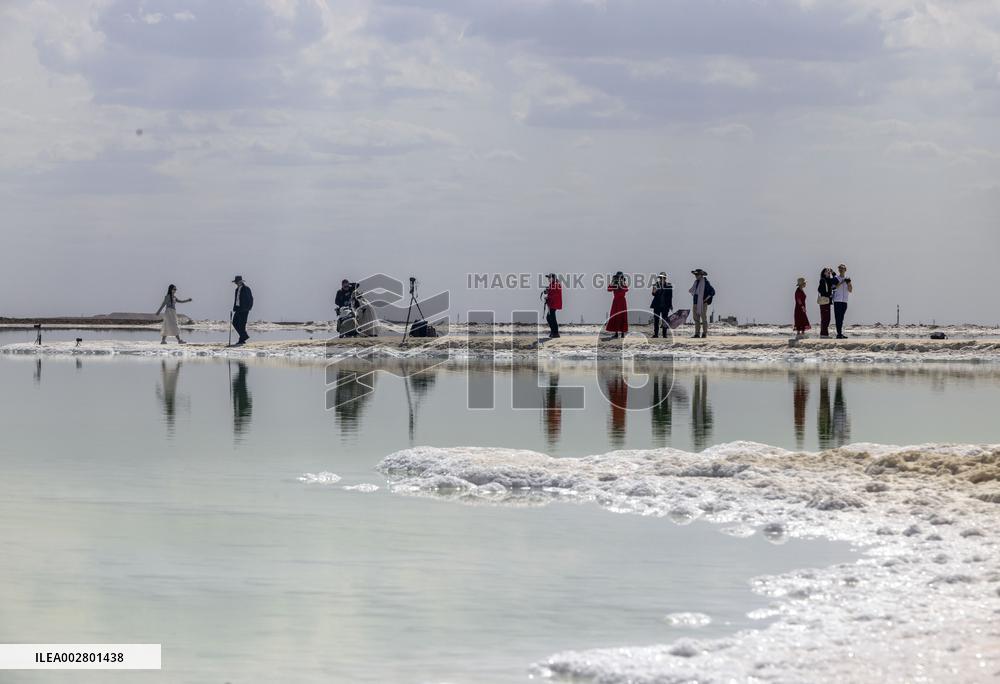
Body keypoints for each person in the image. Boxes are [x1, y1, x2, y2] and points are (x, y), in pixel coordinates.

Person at [688, 269, 715, 338]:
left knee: (703, 318)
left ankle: (704, 333)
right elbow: (693, 291)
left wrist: (706, 299)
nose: (696, 276)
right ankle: (697, 334)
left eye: (697, 274)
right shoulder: (696, 282)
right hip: (695, 302)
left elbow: (712, 292)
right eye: (695, 274)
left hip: (703, 303)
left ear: (701, 275)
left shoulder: (706, 282)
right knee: (696, 319)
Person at [605, 271, 629, 338]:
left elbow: (626, 289)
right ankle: (616, 333)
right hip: (616, 301)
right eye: (618, 277)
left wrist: (622, 282)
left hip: (622, 301)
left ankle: (622, 333)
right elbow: (609, 289)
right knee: (615, 316)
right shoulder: (615, 283)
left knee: (622, 316)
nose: (619, 278)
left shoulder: (623, 284)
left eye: (620, 277)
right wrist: (613, 281)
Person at [231, 275, 253, 346]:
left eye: (237, 282)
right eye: (236, 282)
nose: (236, 283)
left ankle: (242, 339)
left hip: (244, 309)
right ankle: (244, 336)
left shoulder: (246, 289)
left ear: (241, 282)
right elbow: (236, 300)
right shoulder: (237, 289)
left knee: (242, 324)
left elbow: (251, 299)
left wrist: (248, 308)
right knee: (234, 322)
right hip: (238, 308)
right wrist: (234, 308)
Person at [649, 272, 673, 338]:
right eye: (660, 278)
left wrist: (670, 305)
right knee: (656, 320)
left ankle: (664, 334)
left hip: (665, 305)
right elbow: (653, 294)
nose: (661, 279)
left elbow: (670, 296)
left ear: (665, 278)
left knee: (664, 320)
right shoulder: (656, 285)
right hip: (657, 305)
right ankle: (656, 334)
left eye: (663, 278)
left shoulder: (669, 285)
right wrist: (654, 291)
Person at [832, 264, 853, 339]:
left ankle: (840, 333)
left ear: (845, 270)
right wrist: (842, 282)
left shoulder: (848, 279)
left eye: (842, 268)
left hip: (844, 301)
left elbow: (850, 290)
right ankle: (839, 334)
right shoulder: (835, 278)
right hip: (837, 300)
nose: (841, 269)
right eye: (840, 268)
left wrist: (849, 283)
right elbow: (834, 288)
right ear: (838, 269)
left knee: (841, 318)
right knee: (838, 318)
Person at [817, 267, 838, 338]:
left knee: (827, 318)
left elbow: (836, 281)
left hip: (827, 301)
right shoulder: (823, 280)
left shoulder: (829, 280)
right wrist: (828, 295)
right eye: (827, 271)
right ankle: (823, 334)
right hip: (824, 301)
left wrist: (833, 272)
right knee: (825, 318)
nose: (828, 272)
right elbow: (820, 290)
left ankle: (824, 334)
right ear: (823, 273)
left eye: (829, 271)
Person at [543, 273, 562, 338]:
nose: (548, 279)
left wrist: (548, 297)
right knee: (550, 317)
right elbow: (552, 292)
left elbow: (554, 294)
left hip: (554, 303)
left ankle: (555, 332)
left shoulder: (555, 284)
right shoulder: (553, 284)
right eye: (548, 278)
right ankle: (553, 332)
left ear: (553, 278)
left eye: (549, 278)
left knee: (551, 318)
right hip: (552, 303)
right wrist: (548, 291)